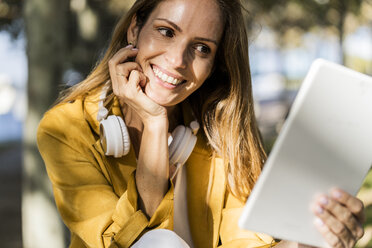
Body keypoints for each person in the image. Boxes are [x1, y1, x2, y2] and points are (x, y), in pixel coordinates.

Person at [37, 0, 365, 247]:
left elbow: (246, 243)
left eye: (201, 48)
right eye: (166, 32)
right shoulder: (65, 128)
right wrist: (154, 123)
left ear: (214, 64)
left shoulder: (217, 132)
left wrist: (312, 239)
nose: (178, 61)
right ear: (135, 29)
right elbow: (127, 242)